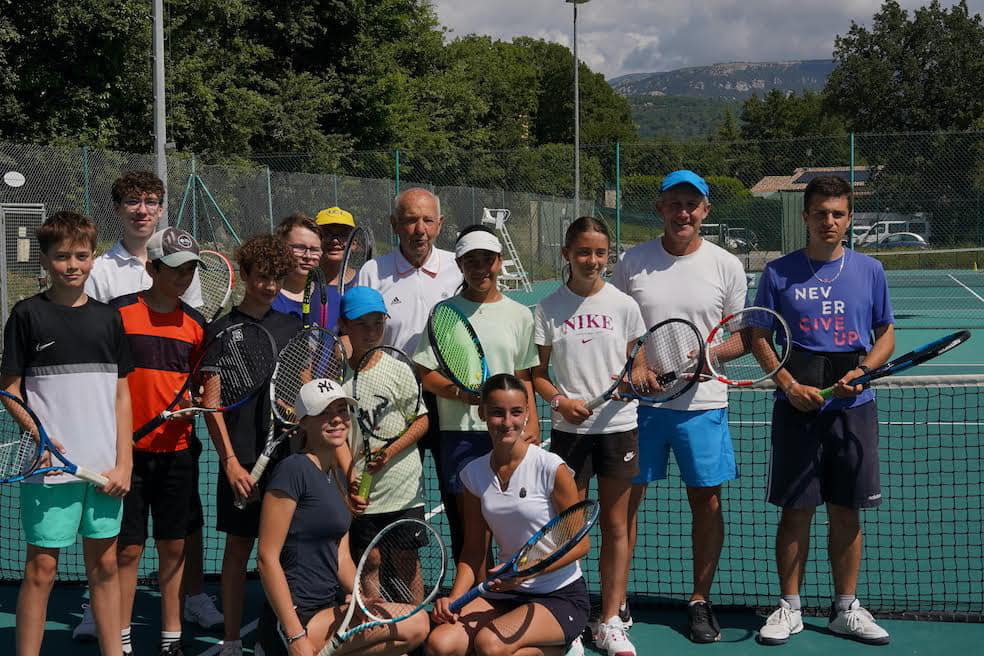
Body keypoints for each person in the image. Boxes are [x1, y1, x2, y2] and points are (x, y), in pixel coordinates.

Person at [77, 171, 220, 640]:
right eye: (133, 201)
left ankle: (179, 621)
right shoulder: (104, 279)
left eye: (152, 201)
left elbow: (195, 364)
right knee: (120, 542)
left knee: (179, 536)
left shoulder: (192, 312)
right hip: (122, 443)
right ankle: (101, 614)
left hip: (176, 445)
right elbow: (97, 358)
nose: (143, 209)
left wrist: (196, 400)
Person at [753, 175, 894, 646]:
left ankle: (844, 608)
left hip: (853, 407)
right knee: (796, 510)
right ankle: (789, 608)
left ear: (849, 218)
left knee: (846, 511)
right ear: (805, 217)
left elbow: (885, 333)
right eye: (820, 213)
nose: (829, 221)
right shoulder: (777, 272)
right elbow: (758, 336)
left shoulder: (870, 269)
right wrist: (787, 383)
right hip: (796, 408)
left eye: (838, 213)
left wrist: (864, 372)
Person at [611, 170, 747, 643]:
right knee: (626, 504)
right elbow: (620, 328)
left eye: (692, 204)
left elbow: (741, 336)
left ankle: (699, 600)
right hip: (640, 408)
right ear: (660, 208)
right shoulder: (632, 262)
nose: (683, 212)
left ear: (705, 211)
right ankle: (617, 601)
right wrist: (639, 364)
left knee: (706, 502)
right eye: (674, 203)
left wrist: (710, 358)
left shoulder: (726, 265)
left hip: (703, 405)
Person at [3, 211, 133, 656]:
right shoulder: (26, 315)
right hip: (46, 470)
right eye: (61, 257)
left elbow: (122, 396)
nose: (72, 265)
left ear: (93, 258)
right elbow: (10, 389)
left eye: (80, 255)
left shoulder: (109, 320)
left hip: (104, 470)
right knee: (41, 569)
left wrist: (124, 462)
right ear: (44, 260)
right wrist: (36, 433)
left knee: (106, 567)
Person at [532, 217, 646, 656]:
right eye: (583, 252)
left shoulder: (624, 306)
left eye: (600, 253)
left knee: (617, 527)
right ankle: (573, 616)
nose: (592, 261)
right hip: (570, 433)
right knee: (570, 529)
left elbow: (638, 362)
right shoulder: (547, 308)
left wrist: (636, 373)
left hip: (619, 428)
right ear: (567, 254)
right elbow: (538, 375)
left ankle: (611, 619)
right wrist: (561, 403)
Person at [256, 378, 429, 656]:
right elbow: (266, 557)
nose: (336, 420)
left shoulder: (335, 479)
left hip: (328, 609)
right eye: (324, 413)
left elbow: (342, 558)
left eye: (341, 411)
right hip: (296, 618)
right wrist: (295, 634)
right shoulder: (293, 470)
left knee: (411, 631)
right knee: (413, 623)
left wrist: (361, 599)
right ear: (304, 422)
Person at [427, 374, 590, 656]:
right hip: (504, 592)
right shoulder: (473, 474)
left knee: (490, 645)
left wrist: (527, 571)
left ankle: (559, 647)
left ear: (527, 413)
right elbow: (473, 551)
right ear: (483, 414)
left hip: (558, 594)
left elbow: (581, 544)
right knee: (440, 644)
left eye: (516, 412)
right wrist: (453, 599)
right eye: (497, 413)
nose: (507, 422)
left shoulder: (551, 468)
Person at [413, 225, 539, 562]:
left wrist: (532, 425)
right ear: (460, 265)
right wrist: (461, 394)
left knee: (515, 519)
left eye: (487, 260)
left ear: (499, 262)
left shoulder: (520, 315)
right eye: (471, 261)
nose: (480, 268)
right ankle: (472, 600)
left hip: (509, 431)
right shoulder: (444, 314)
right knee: (468, 526)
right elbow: (426, 375)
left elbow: (524, 375)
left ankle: (512, 593)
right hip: (460, 434)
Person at [110, 228, 209, 656]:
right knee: (128, 550)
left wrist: (197, 404)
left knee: (173, 546)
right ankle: (122, 637)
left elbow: (205, 386)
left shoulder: (197, 325)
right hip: (126, 454)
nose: (183, 276)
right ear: (151, 268)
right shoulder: (116, 315)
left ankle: (171, 639)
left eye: (189, 268)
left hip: (177, 453)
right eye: (174, 269)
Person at [201, 235, 301, 656]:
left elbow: (305, 389)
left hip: (287, 461)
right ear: (244, 275)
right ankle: (230, 639)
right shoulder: (220, 330)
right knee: (239, 549)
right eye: (262, 277)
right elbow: (211, 404)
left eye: (277, 278)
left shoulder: (295, 328)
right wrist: (230, 463)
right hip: (242, 462)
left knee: (286, 553)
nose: (270, 286)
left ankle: (273, 634)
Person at [355, 187, 463, 576]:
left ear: (440, 225)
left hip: (450, 401)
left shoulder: (458, 268)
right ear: (394, 224)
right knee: (391, 499)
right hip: (393, 408)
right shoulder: (371, 273)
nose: (419, 229)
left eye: (428, 220)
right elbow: (356, 333)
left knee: (461, 496)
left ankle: (470, 589)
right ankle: (390, 591)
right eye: (410, 220)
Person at [335, 287, 430, 559]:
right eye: (361, 324)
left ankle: (411, 606)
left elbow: (421, 422)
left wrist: (390, 451)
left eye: (378, 323)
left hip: (403, 490)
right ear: (344, 325)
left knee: (405, 560)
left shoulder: (399, 369)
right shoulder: (338, 378)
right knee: (371, 561)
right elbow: (337, 435)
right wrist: (350, 475)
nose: (371, 331)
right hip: (363, 495)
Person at [308, 206, 356, 331]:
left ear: (354, 242)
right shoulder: (302, 283)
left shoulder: (365, 281)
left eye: (343, 234)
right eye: (326, 234)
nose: (335, 240)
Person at [272, 213, 322, 319]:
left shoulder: (330, 298)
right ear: (281, 248)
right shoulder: (266, 299)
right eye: (300, 247)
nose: (308, 256)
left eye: (314, 250)